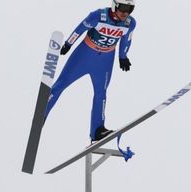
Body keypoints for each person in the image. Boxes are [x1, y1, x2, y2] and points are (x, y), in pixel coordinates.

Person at [45, 0, 137, 142]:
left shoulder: (130, 23)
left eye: (130, 9)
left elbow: (127, 40)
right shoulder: (98, 16)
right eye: (123, 8)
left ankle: (97, 131)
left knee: (101, 93)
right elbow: (80, 28)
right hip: (84, 55)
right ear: (115, 6)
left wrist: (123, 57)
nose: (126, 13)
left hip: (105, 60)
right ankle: (42, 114)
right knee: (61, 84)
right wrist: (69, 43)